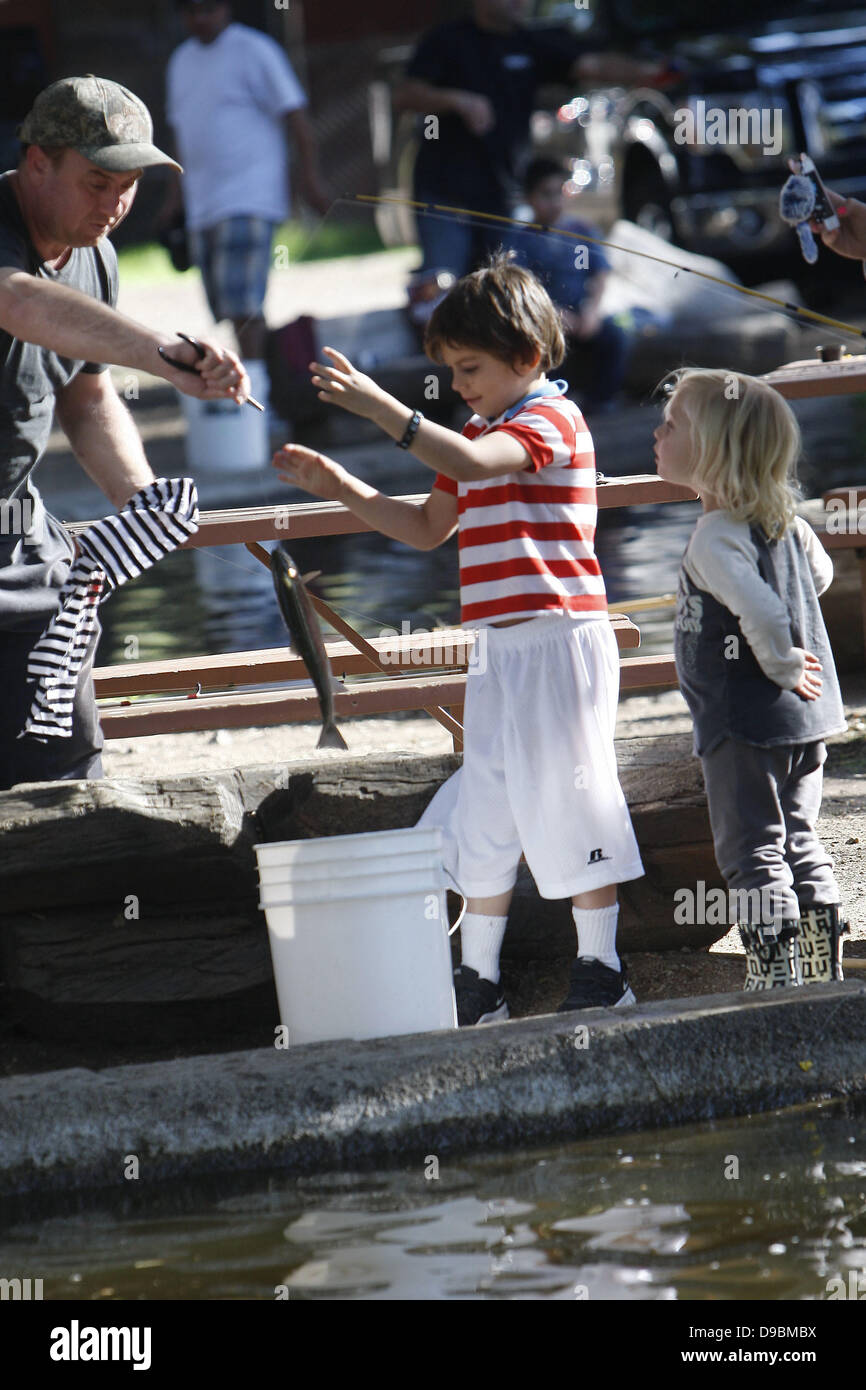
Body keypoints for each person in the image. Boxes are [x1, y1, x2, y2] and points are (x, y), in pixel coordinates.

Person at [273, 253, 645, 1024]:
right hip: (498, 651)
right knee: (489, 805)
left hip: (558, 638)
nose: (460, 386)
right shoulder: (478, 425)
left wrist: (386, 410)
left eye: (469, 368)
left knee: (575, 796)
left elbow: (476, 463)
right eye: (450, 370)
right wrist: (342, 486)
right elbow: (424, 527)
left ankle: (603, 966)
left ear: (528, 357)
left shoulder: (547, 419)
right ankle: (480, 980)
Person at [0, 74, 250, 791]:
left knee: (62, 772)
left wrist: (144, 504)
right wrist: (161, 352)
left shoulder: (95, 256)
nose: (114, 205)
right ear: (37, 161)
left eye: (130, 185)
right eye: (97, 182)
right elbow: (18, 302)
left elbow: (86, 396)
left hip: (15, 537)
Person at [655, 369, 849, 988]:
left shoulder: (715, 534)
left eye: (672, 424)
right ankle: (821, 973)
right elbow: (816, 580)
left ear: (712, 450)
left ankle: (772, 979)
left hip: (744, 721)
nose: (657, 433)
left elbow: (763, 611)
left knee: (751, 852)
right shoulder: (786, 521)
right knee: (799, 839)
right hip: (805, 722)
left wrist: (784, 663)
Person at [395, 0, 666, 279]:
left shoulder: (528, 43)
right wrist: (456, 100)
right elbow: (405, 95)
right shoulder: (446, 40)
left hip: (503, 196)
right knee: (445, 286)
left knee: (503, 286)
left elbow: (591, 65)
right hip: (445, 197)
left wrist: (652, 72)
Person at [162, 0, 330, 392]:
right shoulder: (181, 61)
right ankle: (266, 384)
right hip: (203, 202)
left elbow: (297, 118)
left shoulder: (255, 50)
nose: (199, 18)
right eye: (191, 11)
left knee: (244, 305)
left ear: (225, 9)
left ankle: (258, 393)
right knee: (226, 308)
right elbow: (180, 135)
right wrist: (175, 196)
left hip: (250, 194)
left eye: (208, 9)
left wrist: (308, 181)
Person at [508, 157, 630, 414]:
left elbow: (600, 274)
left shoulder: (582, 230)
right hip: (545, 322)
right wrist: (557, 316)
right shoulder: (522, 240)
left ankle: (601, 400)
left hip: (583, 316)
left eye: (558, 193)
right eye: (545, 194)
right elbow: (522, 288)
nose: (554, 202)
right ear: (529, 198)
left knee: (616, 337)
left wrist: (592, 312)